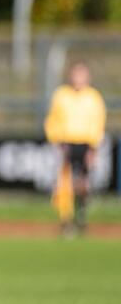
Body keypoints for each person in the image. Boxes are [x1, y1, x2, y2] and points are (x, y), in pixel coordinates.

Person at [44, 62, 106, 235]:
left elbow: (98, 122)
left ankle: (81, 214)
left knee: (82, 183)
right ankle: (66, 218)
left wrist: (94, 147)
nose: (78, 78)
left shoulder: (93, 97)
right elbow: (52, 119)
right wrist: (57, 140)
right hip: (66, 143)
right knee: (65, 184)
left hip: (86, 143)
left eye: (82, 75)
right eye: (76, 74)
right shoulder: (61, 95)